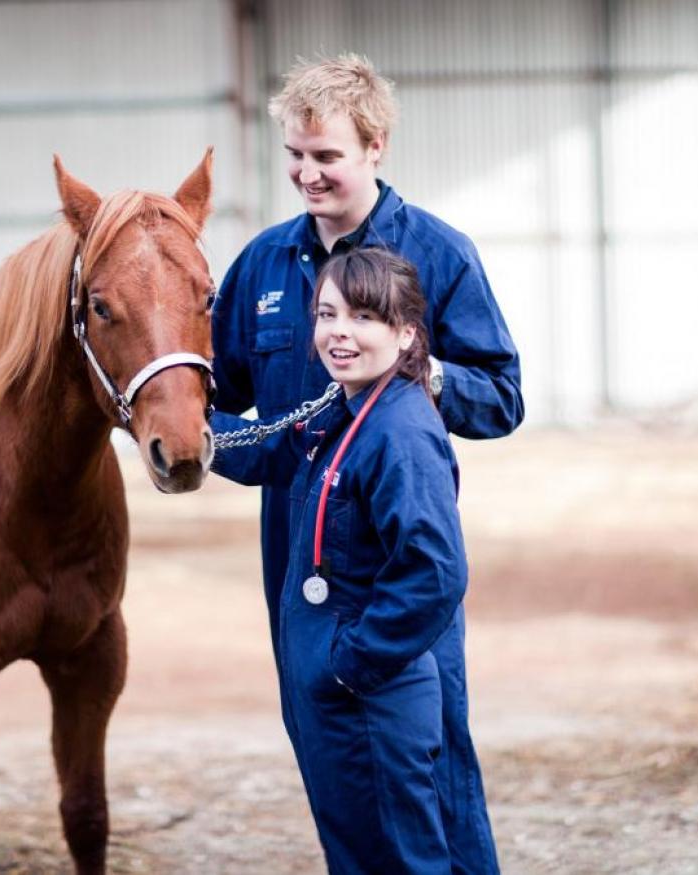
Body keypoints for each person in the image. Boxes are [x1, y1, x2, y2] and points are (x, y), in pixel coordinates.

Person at [212, 55, 519, 873]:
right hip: (296, 561)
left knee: (430, 771)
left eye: (327, 156)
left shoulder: (436, 254)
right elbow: (227, 396)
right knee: (332, 763)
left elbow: (502, 396)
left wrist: (415, 376)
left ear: (374, 146)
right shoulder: (262, 267)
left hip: (390, 566)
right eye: (296, 155)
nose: (307, 174)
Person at [212, 247, 488, 873]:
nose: (340, 332)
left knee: (400, 859)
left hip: (370, 698)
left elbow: (434, 573)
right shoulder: (345, 408)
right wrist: (181, 419)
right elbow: (267, 453)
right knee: (359, 856)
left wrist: (349, 665)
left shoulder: (400, 431)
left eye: (364, 317)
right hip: (341, 692)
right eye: (327, 313)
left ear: (407, 333)